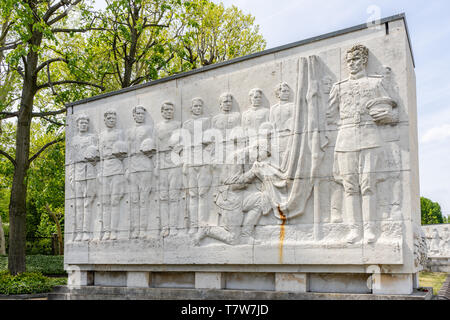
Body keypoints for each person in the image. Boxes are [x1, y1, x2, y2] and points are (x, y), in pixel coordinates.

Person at [327, 44, 397, 244]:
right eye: (349, 61)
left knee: (367, 185)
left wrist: (387, 116)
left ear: (364, 61)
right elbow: (329, 116)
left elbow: (392, 111)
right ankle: (354, 230)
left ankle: (369, 229)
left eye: (356, 60)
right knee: (350, 187)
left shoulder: (375, 84)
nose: (352, 64)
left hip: (369, 138)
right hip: (346, 139)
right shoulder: (339, 87)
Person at [182, 98, 212, 234]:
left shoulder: (206, 121)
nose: (198, 108)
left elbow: (212, 142)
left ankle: (201, 225)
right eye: (195, 106)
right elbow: (184, 144)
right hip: (190, 161)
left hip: (203, 161)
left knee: (203, 194)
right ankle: (193, 225)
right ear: (191, 108)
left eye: (200, 106)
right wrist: (185, 162)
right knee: (193, 195)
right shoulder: (186, 124)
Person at [127, 105, 156, 239]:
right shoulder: (129, 131)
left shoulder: (149, 129)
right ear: (133, 115)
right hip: (132, 165)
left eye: (142, 114)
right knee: (134, 200)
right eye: (137, 113)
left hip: (145, 164)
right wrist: (126, 168)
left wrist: (156, 166)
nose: (140, 116)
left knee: (144, 199)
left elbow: (155, 147)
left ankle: (143, 229)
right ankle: (134, 229)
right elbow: (126, 152)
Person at [69, 114, 99, 241]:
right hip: (77, 172)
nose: (84, 125)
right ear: (77, 125)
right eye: (81, 123)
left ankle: (86, 231)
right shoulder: (73, 140)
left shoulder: (92, 138)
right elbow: (70, 160)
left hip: (90, 171)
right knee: (78, 204)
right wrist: (70, 176)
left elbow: (98, 156)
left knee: (88, 202)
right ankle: (78, 232)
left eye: (86, 123)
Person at [98, 109, 127, 241]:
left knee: (115, 201)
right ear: (104, 120)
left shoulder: (120, 133)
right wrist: (99, 171)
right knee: (105, 202)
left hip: (117, 167)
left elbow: (125, 152)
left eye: (113, 118)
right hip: (105, 169)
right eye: (109, 118)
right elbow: (99, 155)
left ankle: (114, 231)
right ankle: (106, 230)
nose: (111, 120)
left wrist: (126, 169)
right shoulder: (101, 135)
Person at [155, 101, 182, 237]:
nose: (168, 112)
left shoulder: (178, 125)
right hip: (161, 163)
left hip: (174, 161)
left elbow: (183, 143)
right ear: (162, 112)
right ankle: (165, 227)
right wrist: (156, 165)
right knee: (163, 196)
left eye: (171, 110)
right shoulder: (157, 127)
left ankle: (174, 226)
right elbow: (155, 147)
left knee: (174, 196)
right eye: (166, 110)